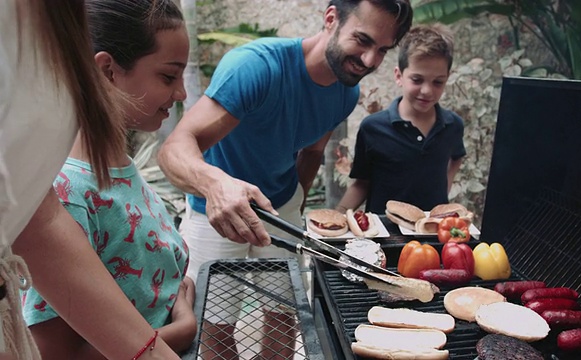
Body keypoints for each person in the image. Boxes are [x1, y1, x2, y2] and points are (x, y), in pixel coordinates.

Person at [157, 0, 412, 358]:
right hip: (213, 210)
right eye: (362, 40)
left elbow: (310, 153)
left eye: (382, 50)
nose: (370, 61)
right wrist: (215, 185)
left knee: (282, 320)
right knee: (213, 327)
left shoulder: (346, 91)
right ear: (330, 19)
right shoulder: (257, 67)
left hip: (280, 206)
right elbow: (174, 148)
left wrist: (296, 201)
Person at [1, 0, 184, 358]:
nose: (181, 94)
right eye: (168, 76)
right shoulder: (73, 190)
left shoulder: (123, 172)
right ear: (107, 70)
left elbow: (39, 219)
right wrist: (180, 331)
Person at [337, 23, 466, 214]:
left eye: (438, 82)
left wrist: (442, 190)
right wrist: (338, 213)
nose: (427, 91)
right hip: (385, 236)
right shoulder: (373, 128)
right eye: (417, 79)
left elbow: (457, 157)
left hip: (431, 235)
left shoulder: (453, 125)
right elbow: (361, 183)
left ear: (447, 78)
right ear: (399, 76)